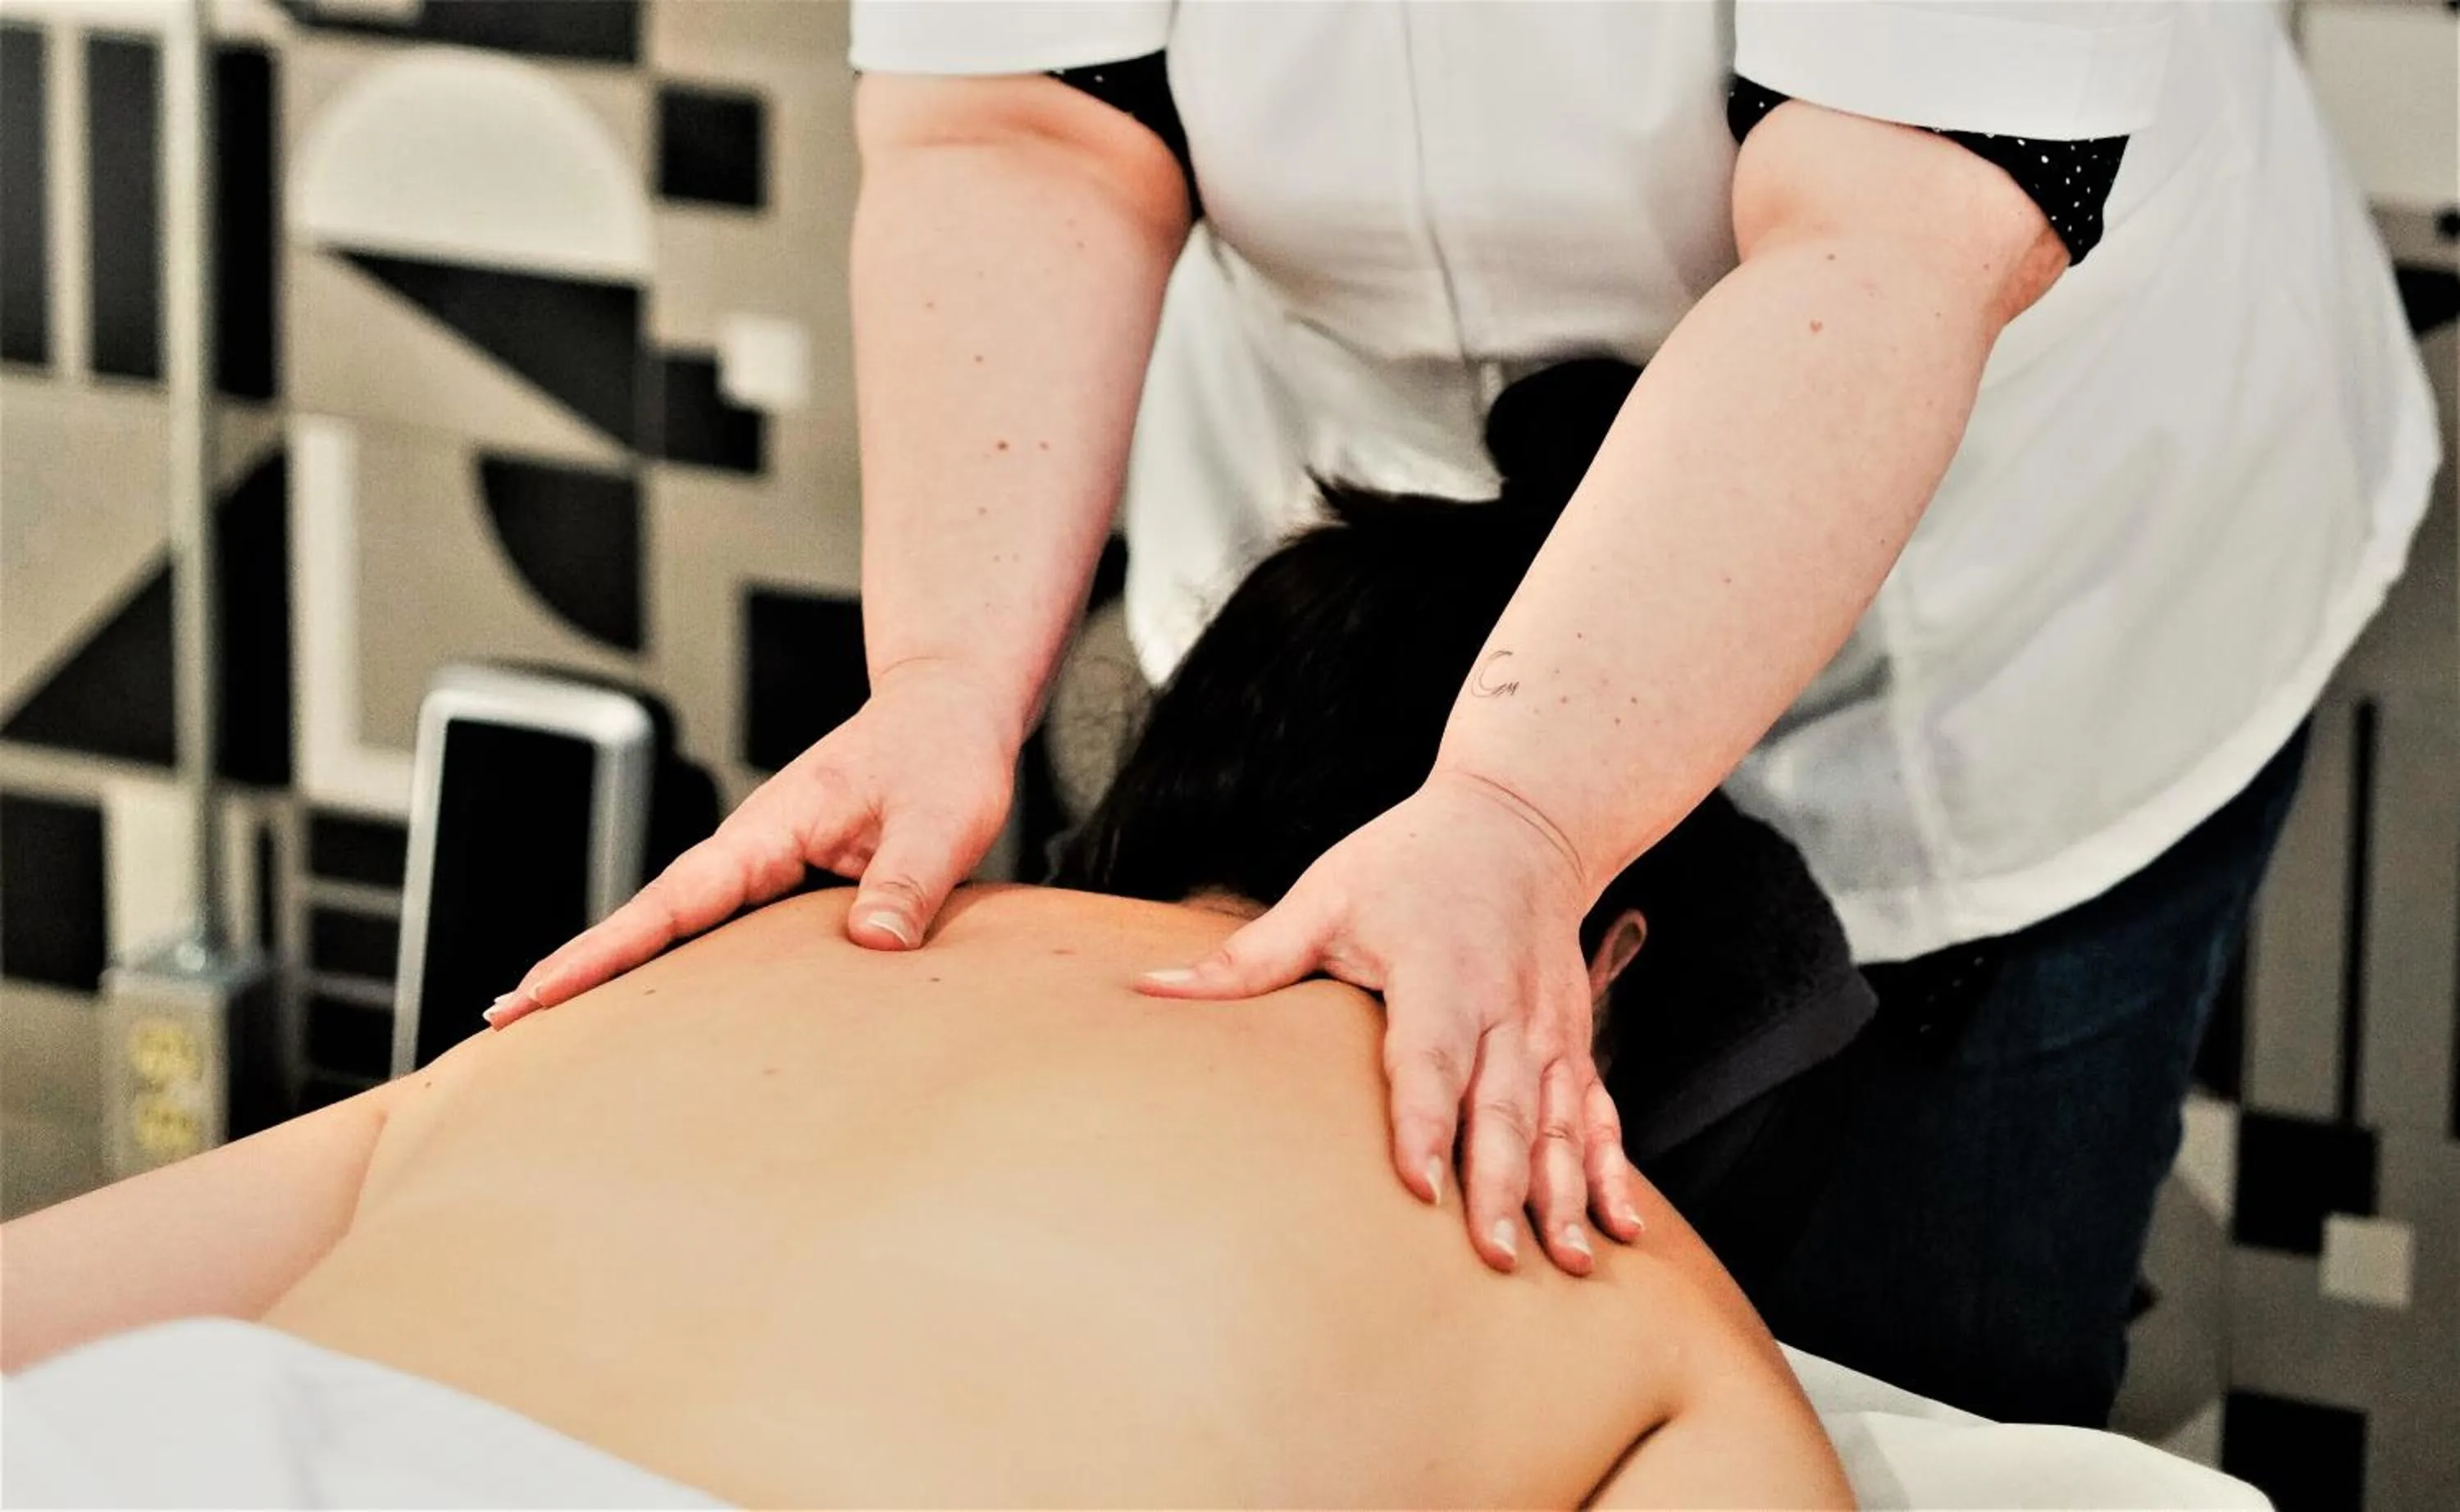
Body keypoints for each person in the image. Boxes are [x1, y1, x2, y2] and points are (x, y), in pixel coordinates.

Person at [496, 0, 2439, 1426]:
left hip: (1995, 578)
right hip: (1350, 579)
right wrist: (942, 675)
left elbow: (1896, 221)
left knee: (1911, 1359)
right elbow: (1026, 125)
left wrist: (1517, 806)